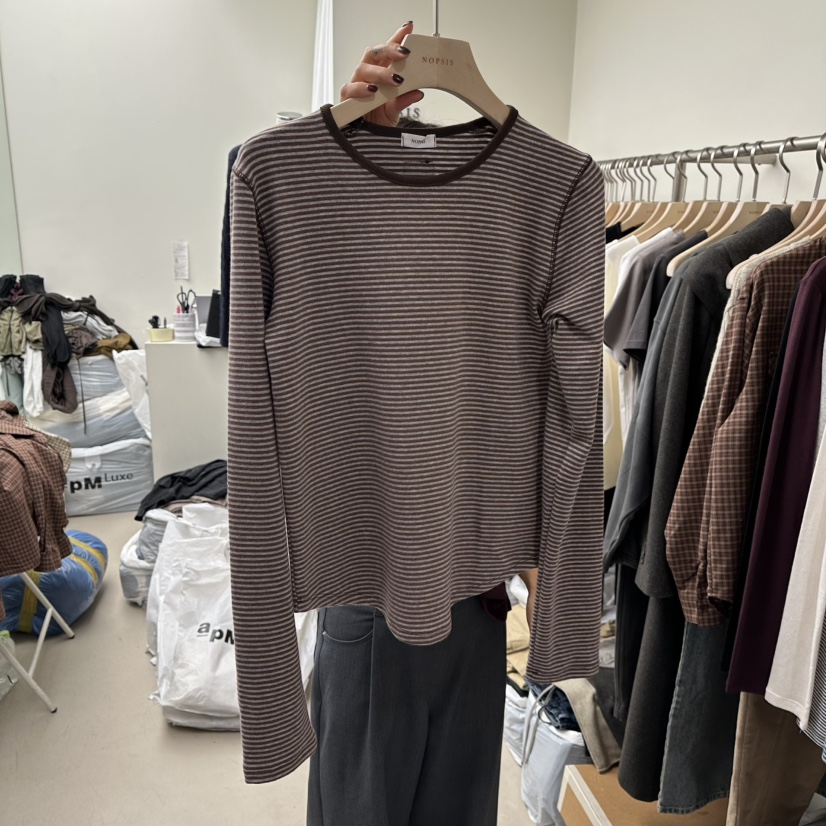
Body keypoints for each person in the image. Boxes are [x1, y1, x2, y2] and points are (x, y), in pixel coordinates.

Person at [306, 22, 539, 826]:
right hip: (370, 582)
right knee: (363, 804)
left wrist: (544, 563)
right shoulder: (310, 191)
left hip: (480, 593)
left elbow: (554, 404)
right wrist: (349, 140)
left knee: (461, 805)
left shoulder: (533, 198)